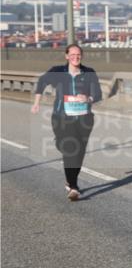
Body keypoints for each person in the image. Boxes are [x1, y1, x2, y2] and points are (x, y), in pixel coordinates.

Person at [31, 44, 102, 201]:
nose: (75, 57)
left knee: (80, 151)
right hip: (61, 117)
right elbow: (42, 82)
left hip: (84, 118)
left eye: (78, 55)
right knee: (70, 148)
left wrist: (88, 98)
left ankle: (70, 181)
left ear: (81, 56)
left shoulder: (89, 72)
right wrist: (36, 103)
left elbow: (98, 93)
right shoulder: (58, 71)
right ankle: (74, 186)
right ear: (66, 56)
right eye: (72, 54)